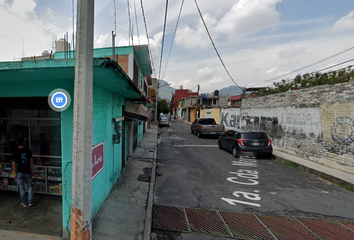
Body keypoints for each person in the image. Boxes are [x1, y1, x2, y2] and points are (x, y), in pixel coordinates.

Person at [12, 137, 35, 207]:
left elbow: (13, 164)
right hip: (27, 171)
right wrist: (32, 170)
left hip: (19, 172)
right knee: (29, 186)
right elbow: (31, 161)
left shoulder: (15, 152)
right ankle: (30, 202)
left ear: (17, 143)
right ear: (24, 143)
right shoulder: (28, 151)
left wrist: (14, 173)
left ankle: (24, 202)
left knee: (21, 187)